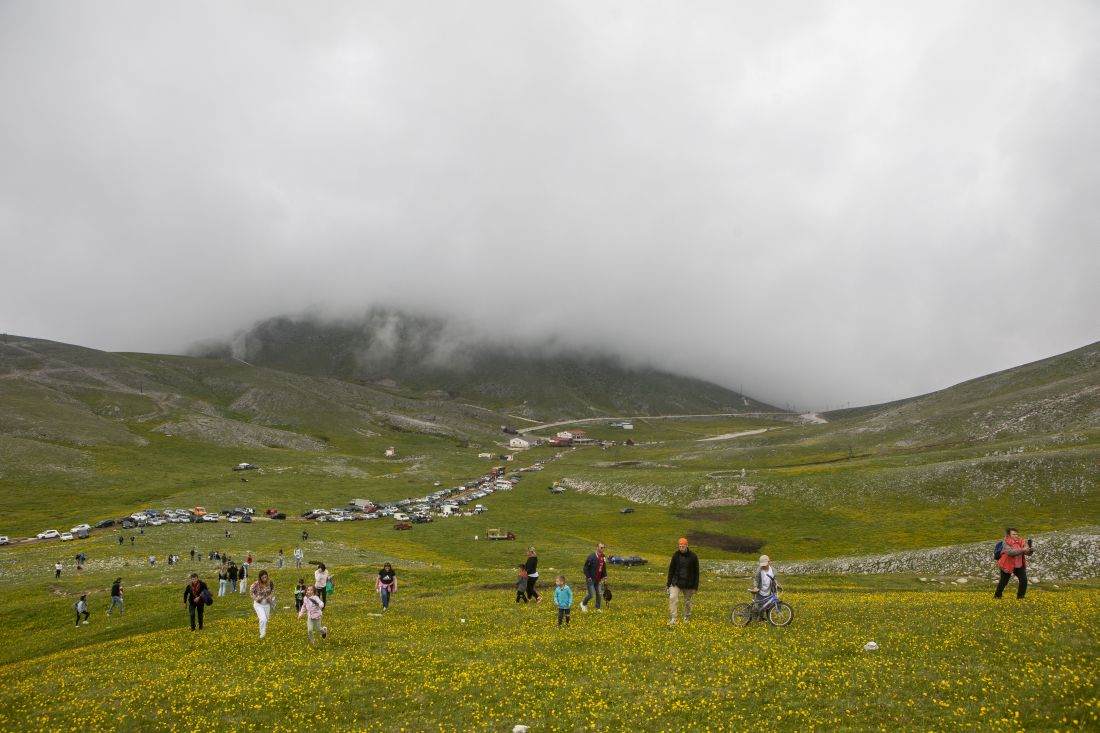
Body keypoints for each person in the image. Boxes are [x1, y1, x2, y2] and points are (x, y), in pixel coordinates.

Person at [666, 537, 700, 625]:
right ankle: (674, 619)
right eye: (680, 546)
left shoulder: (693, 556)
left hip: (689, 583)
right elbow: (671, 570)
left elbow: (697, 572)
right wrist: (668, 584)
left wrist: (695, 587)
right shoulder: (675, 555)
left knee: (687, 602)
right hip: (676, 582)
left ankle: (686, 617)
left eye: (683, 546)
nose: (681, 548)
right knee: (672, 598)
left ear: (687, 545)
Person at [995, 528, 1034, 599]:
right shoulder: (1006, 542)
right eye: (1013, 534)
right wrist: (1022, 549)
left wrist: (1030, 550)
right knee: (1004, 582)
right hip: (1006, 565)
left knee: (1024, 580)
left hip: (1019, 565)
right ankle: (997, 596)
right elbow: (1010, 552)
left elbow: (1027, 553)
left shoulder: (1021, 541)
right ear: (1009, 535)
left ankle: (1020, 598)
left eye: (1016, 534)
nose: (1016, 535)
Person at [581, 543, 608, 612]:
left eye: (604, 547)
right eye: (601, 547)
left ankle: (597, 608)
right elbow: (585, 568)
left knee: (599, 594)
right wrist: (588, 577)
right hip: (591, 579)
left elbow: (604, 568)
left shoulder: (603, 557)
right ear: (597, 548)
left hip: (598, 579)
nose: (603, 549)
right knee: (591, 594)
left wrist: (605, 577)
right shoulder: (591, 557)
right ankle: (583, 604)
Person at [249, 570, 275, 638]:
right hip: (258, 604)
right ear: (260, 578)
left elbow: (272, 590)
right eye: (263, 578)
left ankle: (263, 632)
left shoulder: (270, 582)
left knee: (266, 619)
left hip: (267, 604)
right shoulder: (256, 584)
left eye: (266, 577)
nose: (264, 579)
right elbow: (251, 592)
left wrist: (271, 596)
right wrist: (255, 598)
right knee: (263, 619)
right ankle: (262, 634)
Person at [751, 555, 777, 619]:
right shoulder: (759, 570)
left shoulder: (773, 571)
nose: (764, 566)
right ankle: (759, 618)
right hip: (760, 591)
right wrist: (755, 587)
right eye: (762, 564)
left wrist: (777, 585)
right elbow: (756, 579)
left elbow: (774, 580)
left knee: (769, 605)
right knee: (760, 606)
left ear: (769, 562)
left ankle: (769, 618)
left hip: (769, 591)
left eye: (765, 564)